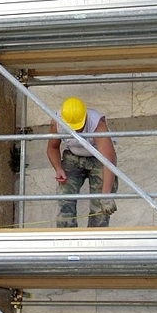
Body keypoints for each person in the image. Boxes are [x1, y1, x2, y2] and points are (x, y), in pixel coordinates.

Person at [46, 97, 118, 228]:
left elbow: (109, 160)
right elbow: (52, 147)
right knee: (65, 197)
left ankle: (96, 241)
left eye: (79, 126)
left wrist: (106, 194)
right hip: (73, 156)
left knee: (100, 206)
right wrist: (58, 168)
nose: (77, 130)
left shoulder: (96, 123)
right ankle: (67, 239)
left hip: (98, 158)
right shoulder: (57, 122)